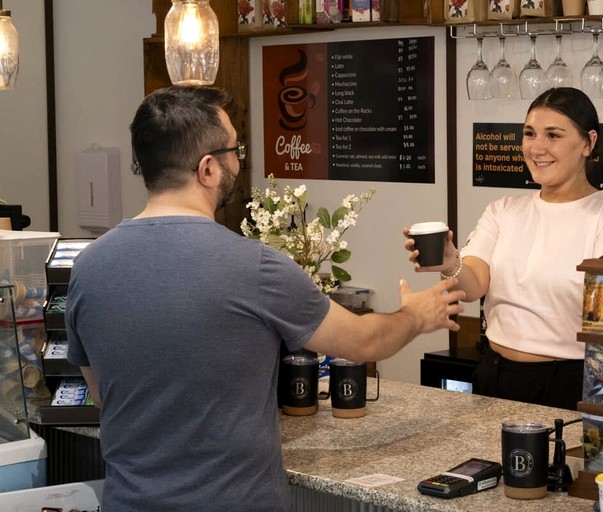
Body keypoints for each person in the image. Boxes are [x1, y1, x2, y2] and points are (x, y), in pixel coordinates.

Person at [65, 85, 465, 512]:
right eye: (235, 150)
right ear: (207, 169)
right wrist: (416, 316)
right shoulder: (254, 267)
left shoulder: (88, 269)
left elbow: (104, 395)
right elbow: (363, 342)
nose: (239, 161)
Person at [404, 87, 603, 411]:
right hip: (494, 375)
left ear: (588, 142)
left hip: (567, 382)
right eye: (529, 134)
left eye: (553, 135)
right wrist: (450, 262)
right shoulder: (503, 209)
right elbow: (474, 285)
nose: (537, 148)